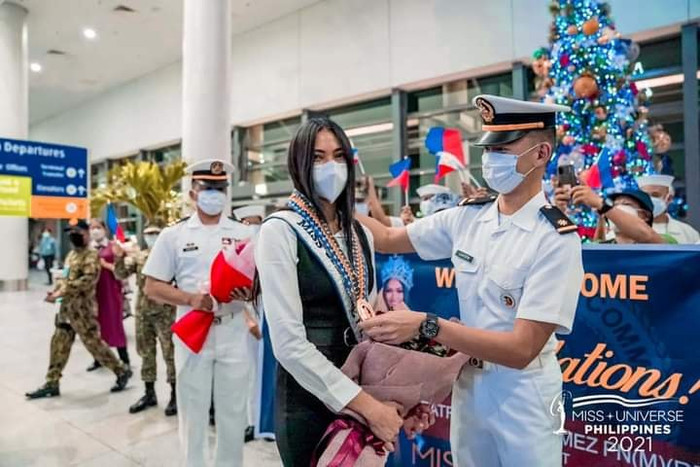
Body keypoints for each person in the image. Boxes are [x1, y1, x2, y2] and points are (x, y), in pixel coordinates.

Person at [357, 95, 584, 466]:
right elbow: (385, 238)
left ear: (541, 154)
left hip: (523, 395)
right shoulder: (468, 218)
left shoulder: (555, 238)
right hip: (469, 385)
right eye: (489, 148)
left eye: (505, 149)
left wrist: (427, 326)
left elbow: (522, 348)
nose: (491, 160)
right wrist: (326, 207)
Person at [254, 117, 405, 466]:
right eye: (318, 157)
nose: (330, 167)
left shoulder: (361, 235)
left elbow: (371, 316)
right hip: (308, 399)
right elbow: (289, 345)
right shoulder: (280, 232)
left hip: (361, 387)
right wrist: (368, 407)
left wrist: (399, 401)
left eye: (338, 156)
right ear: (299, 164)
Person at [143, 159, 253, 467]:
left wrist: (250, 293)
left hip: (233, 330)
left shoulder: (243, 233)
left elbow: (257, 281)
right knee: (192, 415)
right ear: (193, 192)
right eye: (207, 188)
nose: (214, 194)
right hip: (194, 333)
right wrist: (191, 299)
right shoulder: (174, 235)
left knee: (232, 415)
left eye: (220, 188)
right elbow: (152, 287)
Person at [26, 220, 131, 399]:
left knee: (95, 345)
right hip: (66, 310)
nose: (73, 235)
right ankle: (52, 382)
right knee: (58, 345)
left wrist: (61, 291)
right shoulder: (71, 255)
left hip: (83, 311)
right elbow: (65, 276)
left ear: (86, 233)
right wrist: (57, 289)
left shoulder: (92, 255)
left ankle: (121, 371)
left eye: (77, 231)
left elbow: (88, 280)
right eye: (70, 232)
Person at [114, 225, 177, 416]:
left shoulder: (172, 255)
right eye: (148, 233)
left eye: (155, 233)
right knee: (145, 353)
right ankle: (149, 393)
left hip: (166, 312)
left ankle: (175, 395)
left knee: (170, 354)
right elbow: (120, 274)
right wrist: (118, 257)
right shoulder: (139, 256)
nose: (152, 236)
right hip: (143, 312)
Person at [232, 204, 265, 443]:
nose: (251, 227)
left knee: (268, 373)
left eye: (255, 222)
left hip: (270, 316)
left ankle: (266, 420)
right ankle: (251, 421)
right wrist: (248, 320)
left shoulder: (270, 246)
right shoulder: (233, 251)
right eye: (246, 223)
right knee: (250, 372)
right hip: (246, 319)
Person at [86, 219, 130, 371]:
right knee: (96, 328)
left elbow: (123, 270)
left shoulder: (114, 247)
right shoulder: (89, 249)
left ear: (104, 229)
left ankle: (124, 359)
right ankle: (99, 359)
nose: (95, 231)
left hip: (111, 293)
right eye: (92, 228)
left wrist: (107, 266)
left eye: (98, 227)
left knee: (114, 326)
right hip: (93, 294)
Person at [559, 184, 670, 244]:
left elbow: (645, 234)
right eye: (615, 206)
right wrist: (559, 211)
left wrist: (601, 204)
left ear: (645, 216)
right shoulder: (602, 248)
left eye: (626, 204)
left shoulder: (664, 242)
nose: (617, 210)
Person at [637, 174, 700, 244]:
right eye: (645, 195)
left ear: (669, 198)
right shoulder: (628, 229)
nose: (649, 199)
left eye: (655, 195)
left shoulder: (688, 233)